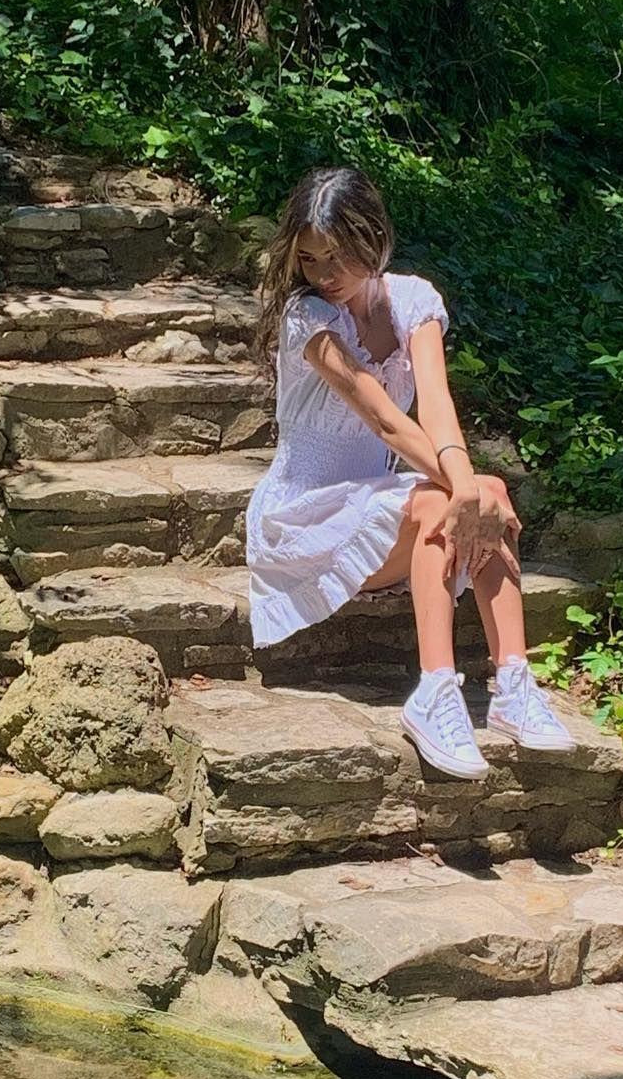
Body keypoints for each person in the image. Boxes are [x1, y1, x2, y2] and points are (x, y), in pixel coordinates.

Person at [246, 166, 576, 779]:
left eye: (338, 256)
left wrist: (473, 487)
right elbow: (386, 421)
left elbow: (436, 403)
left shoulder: (413, 300)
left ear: (374, 237)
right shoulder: (306, 317)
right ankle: (434, 689)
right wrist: (465, 488)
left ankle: (513, 682)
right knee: (447, 500)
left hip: (374, 507)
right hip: (302, 518)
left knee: (484, 490)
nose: (324, 274)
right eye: (310, 259)